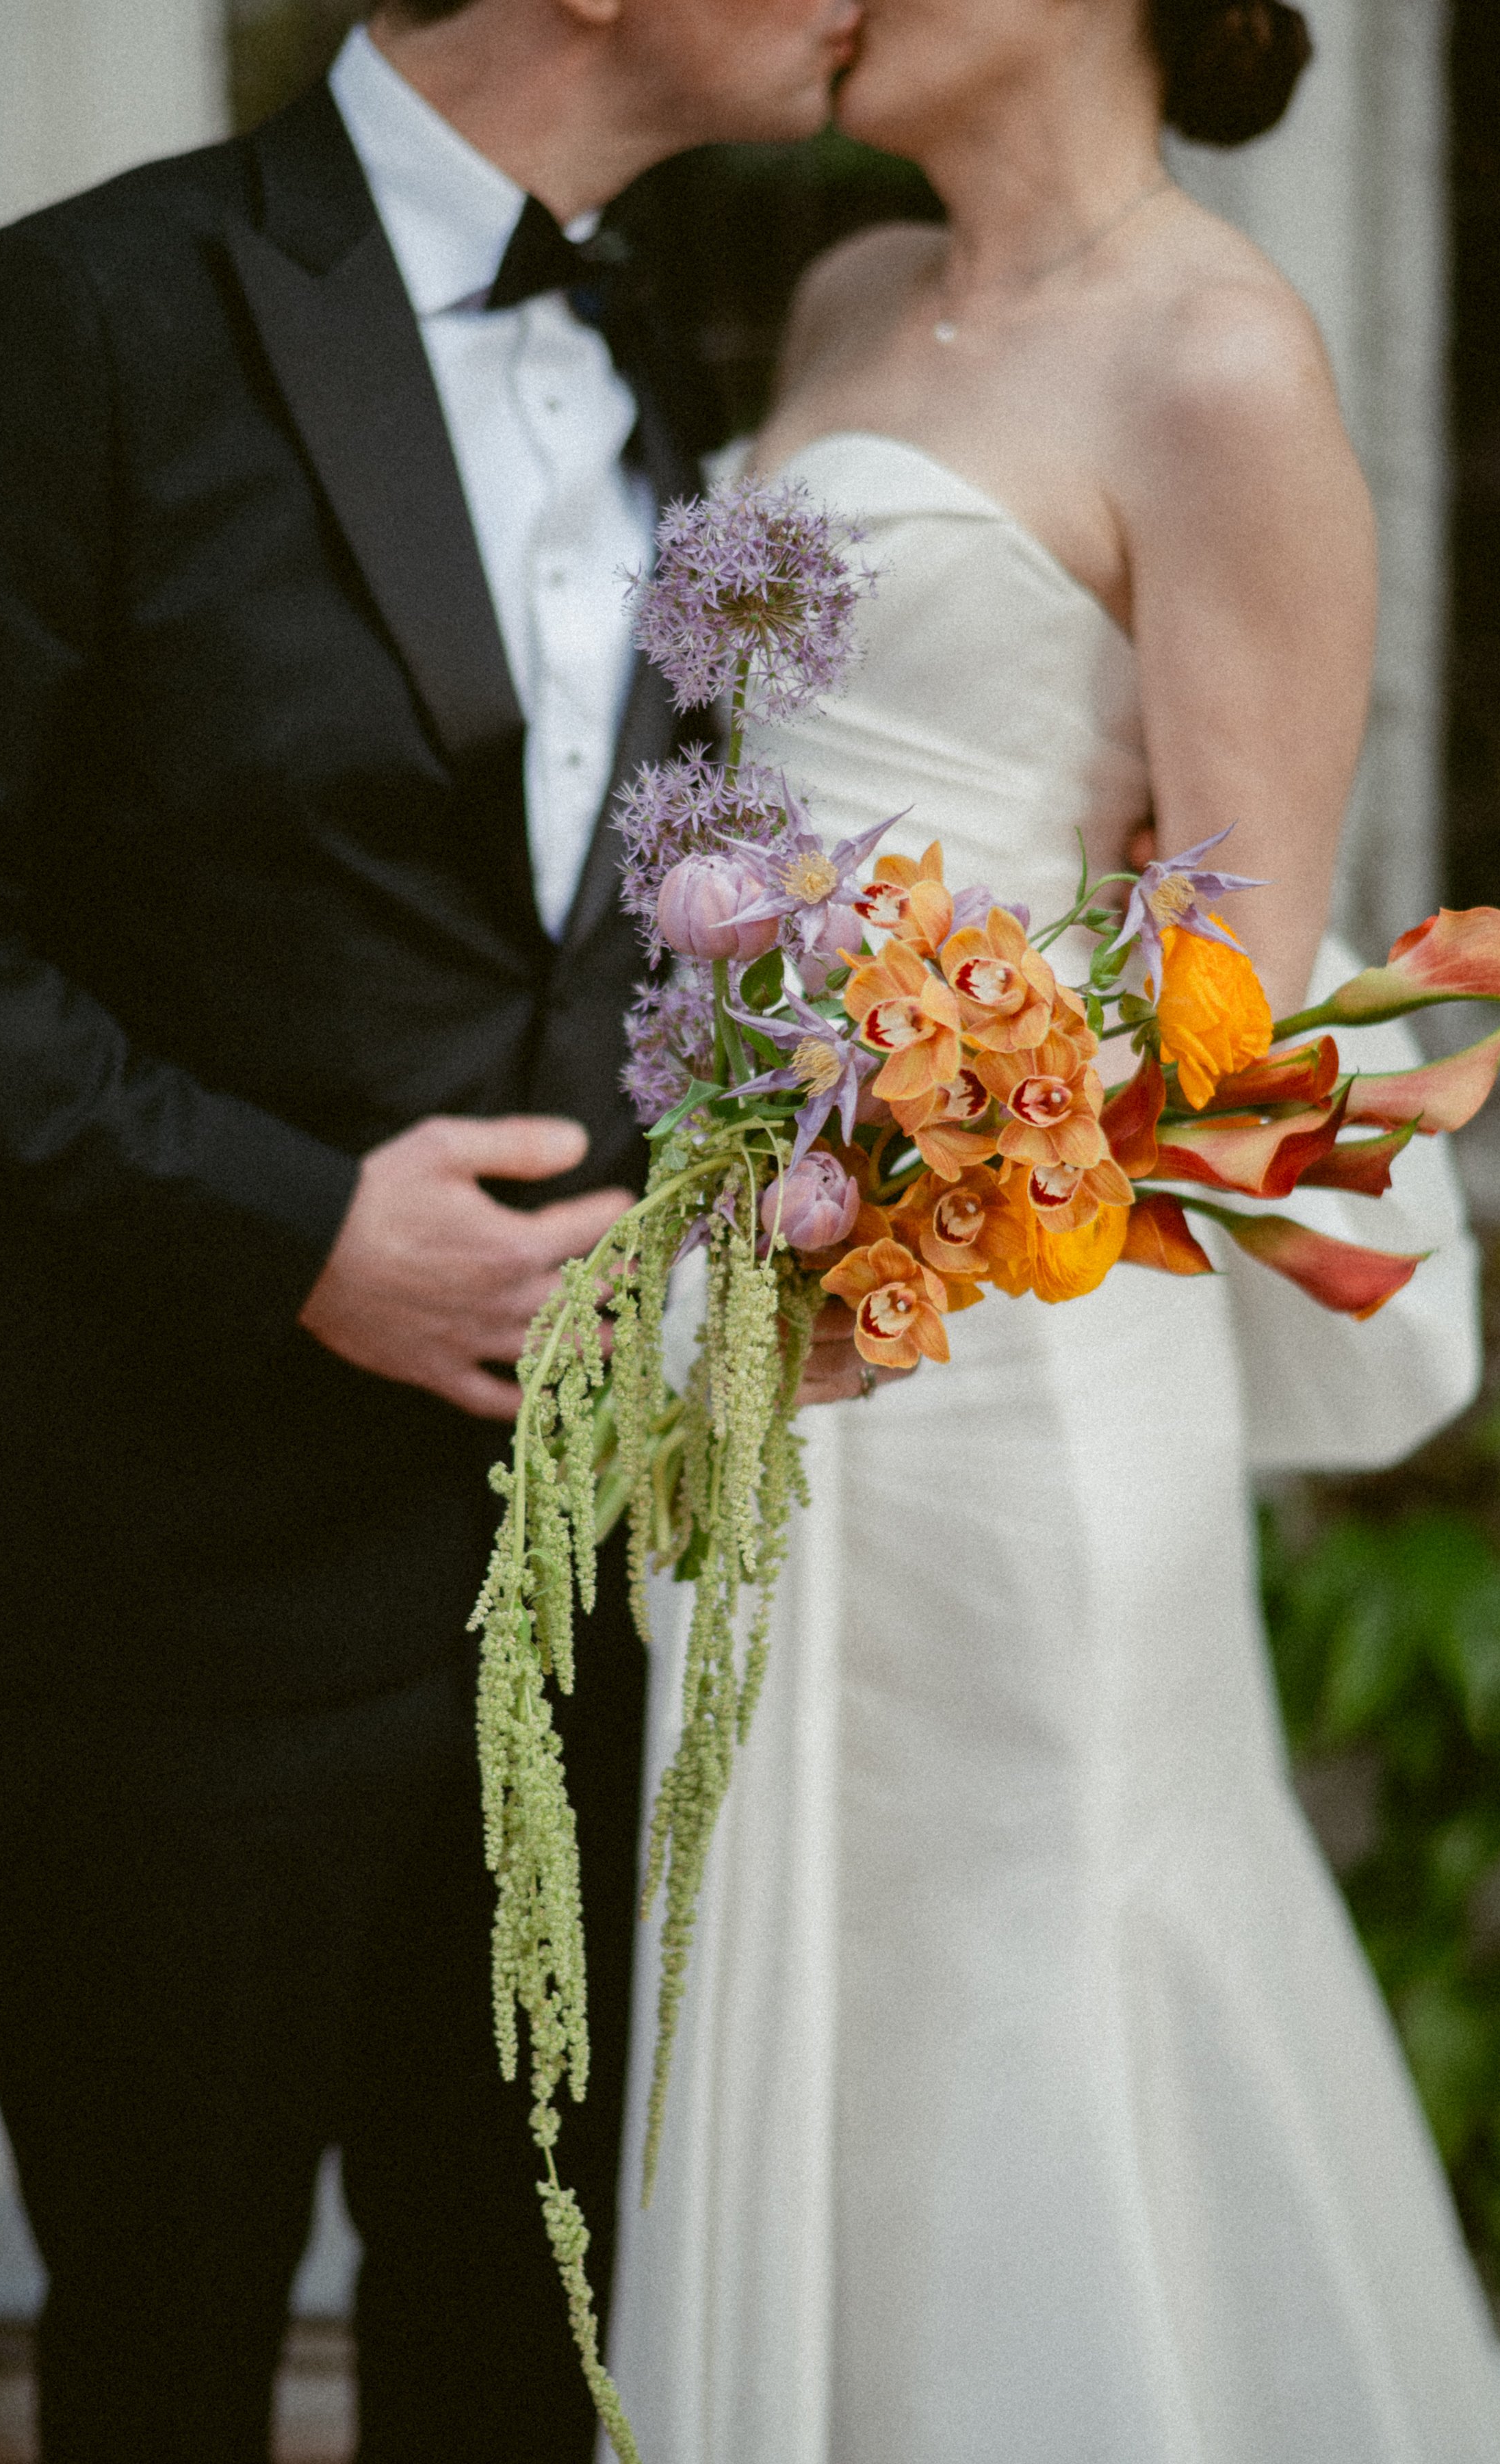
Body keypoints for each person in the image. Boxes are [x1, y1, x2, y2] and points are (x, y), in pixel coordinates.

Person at [0, 1, 864, 2457]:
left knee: (526, 2340)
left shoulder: (660, 339)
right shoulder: (78, 315)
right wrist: (294, 1225)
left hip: (580, 1572)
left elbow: (645, 925)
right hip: (167, 1563)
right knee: (169, 2346)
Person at [604, 3, 1500, 2459]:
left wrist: (915, 1166)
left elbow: (1225, 1042)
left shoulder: (1218, 361)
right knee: (787, 1995)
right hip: (742, 1304)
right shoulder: (840, 296)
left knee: (1017, 1994)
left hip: (999, 1366)